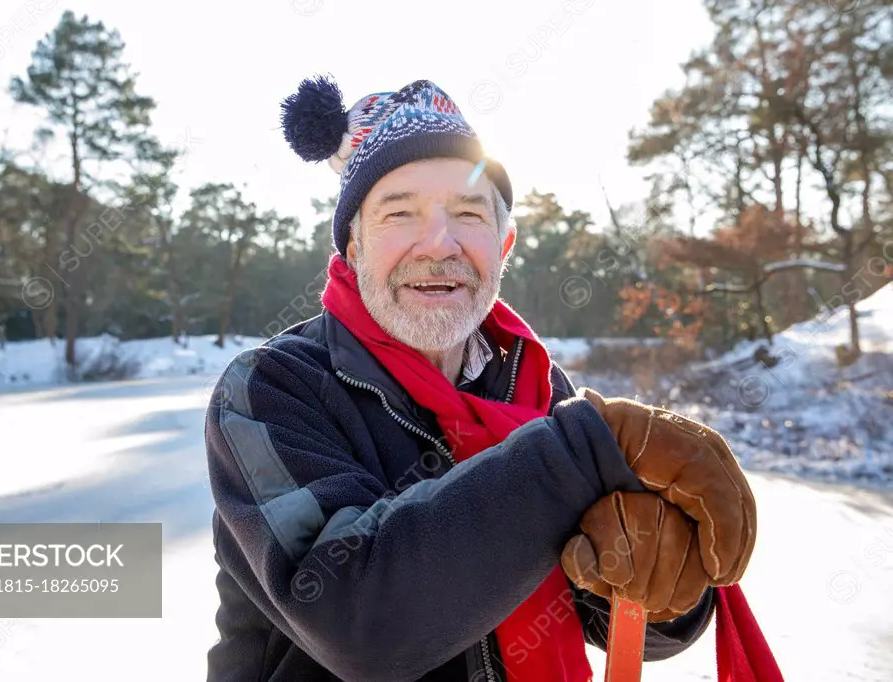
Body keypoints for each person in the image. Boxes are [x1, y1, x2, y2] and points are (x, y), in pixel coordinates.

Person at [204, 76, 758, 682]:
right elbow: (356, 622)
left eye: (468, 213)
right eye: (399, 213)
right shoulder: (269, 390)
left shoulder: (540, 393)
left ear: (504, 244)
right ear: (353, 248)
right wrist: (577, 455)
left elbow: (606, 616)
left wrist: (664, 592)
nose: (438, 243)